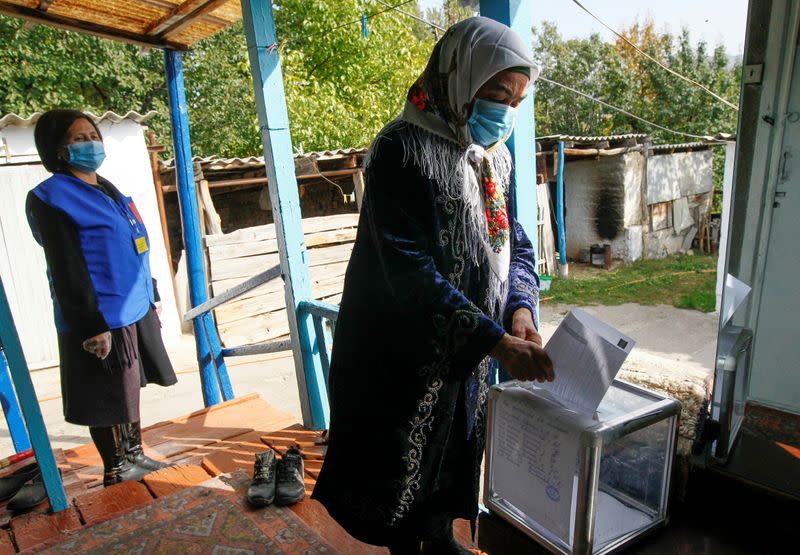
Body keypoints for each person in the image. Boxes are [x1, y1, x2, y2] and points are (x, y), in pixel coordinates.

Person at [312, 17, 554, 554]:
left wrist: (519, 311)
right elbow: (404, 267)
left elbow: (511, 240)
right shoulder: (401, 150)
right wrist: (490, 339)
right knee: (401, 471)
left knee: (454, 454)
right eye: (496, 94)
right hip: (399, 355)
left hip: (465, 353)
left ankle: (440, 539)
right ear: (460, 78)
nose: (506, 110)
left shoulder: (493, 158)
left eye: (517, 99)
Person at [26, 109, 177, 488]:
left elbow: (133, 244)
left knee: (127, 387)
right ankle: (117, 466)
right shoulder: (51, 197)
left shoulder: (107, 189)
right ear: (58, 148)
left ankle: (134, 454)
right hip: (98, 313)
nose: (90, 143)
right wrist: (90, 324)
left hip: (131, 306)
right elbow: (66, 265)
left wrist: (152, 291)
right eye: (78, 138)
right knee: (104, 393)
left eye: (92, 135)